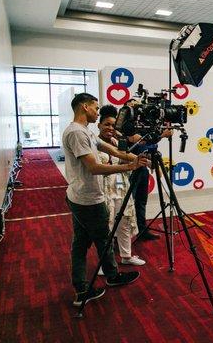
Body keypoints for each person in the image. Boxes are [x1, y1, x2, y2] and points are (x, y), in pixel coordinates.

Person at [62, 93, 147, 307]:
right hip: (87, 198)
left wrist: (133, 158)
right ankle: (108, 277)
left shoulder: (85, 132)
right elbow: (94, 167)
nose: (98, 111)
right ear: (84, 106)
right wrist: (128, 166)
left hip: (83, 196)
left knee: (81, 243)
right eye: (95, 107)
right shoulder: (76, 133)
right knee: (103, 240)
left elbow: (107, 148)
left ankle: (84, 286)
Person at [97, 105, 145, 268]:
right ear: (99, 125)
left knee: (125, 221)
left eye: (113, 125)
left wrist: (140, 160)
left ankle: (126, 255)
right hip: (103, 190)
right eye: (106, 124)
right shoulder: (93, 144)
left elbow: (125, 157)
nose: (110, 128)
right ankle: (106, 264)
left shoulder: (118, 142)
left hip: (121, 187)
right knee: (106, 227)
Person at [125, 100, 172, 241]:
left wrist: (153, 163)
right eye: (133, 105)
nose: (138, 108)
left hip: (143, 168)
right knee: (128, 203)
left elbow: (150, 143)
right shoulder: (126, 127)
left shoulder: (144, 125)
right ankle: (121, 236)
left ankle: (141, 230)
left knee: (141, 201)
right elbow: (139, 141)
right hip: (129, 169)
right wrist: (163, 135)